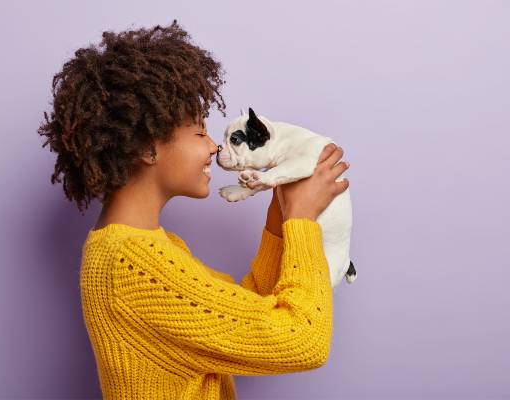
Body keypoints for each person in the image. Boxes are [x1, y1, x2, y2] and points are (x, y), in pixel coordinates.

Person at [38, 19, 350, 400]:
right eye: (200, 132)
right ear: (148, 149)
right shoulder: (130, 265)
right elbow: (303, 339)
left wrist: (278, 222)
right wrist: (302, 224)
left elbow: (247, 310)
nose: (214, 148)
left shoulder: (146, 248)